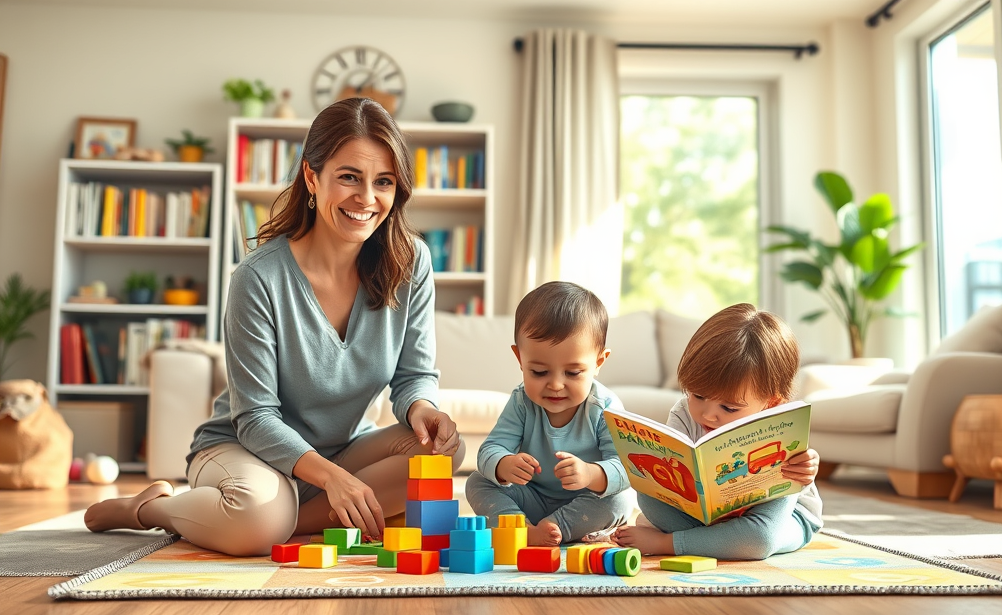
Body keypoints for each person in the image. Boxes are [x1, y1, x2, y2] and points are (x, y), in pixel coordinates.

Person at [85, 98, 464, 556]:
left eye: (383, 181)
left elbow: (413, 375)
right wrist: (333, 480)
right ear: (312, 177)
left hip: (342, 451)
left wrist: (422, 409)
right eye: (349, 177)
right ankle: (151, 509)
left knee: (442, 453)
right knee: (260, 518)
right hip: (245, 448)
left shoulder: (411, 262)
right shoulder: (258, 277)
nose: (367, 198)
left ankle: (280, 522)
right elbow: (256, 417)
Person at [611, 302, 822, 560]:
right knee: (648, 495)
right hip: (702, 514)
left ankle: (673, 542)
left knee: (761, 540)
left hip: (778, 516)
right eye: (697, 395)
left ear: (771, 402)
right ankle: (720, 540)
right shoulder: (683, 413)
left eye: (729, 408)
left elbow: (797, 475)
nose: (708, 415)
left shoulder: (782, 423)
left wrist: (806, 466)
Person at [466, 281, 632, 546]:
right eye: (539, 372)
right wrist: (504, 464)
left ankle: (556, 527)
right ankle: (520, 528)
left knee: (620, 500)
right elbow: (490, 449)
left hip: (585, 502)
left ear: (598, 362)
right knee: (477, 482)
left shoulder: (604, 407)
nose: (555, 385)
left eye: (573, 373)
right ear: (520, 359)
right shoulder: (522, 401)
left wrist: (590, 474)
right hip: (530, 498)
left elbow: (626, 467)